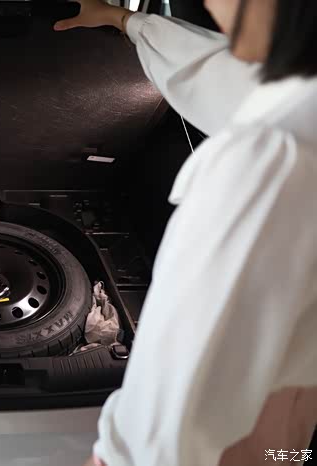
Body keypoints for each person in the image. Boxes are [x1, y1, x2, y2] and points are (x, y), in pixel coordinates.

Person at [53, 1, 317, 465]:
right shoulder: (297, 104)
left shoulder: (273, 157)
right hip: (286, 424)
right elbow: (224, 75)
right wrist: (124, 20)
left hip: (239, 439)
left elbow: (182, 395)